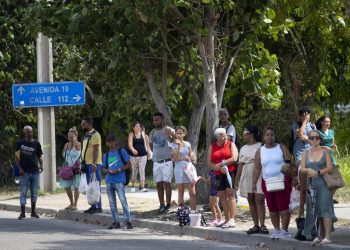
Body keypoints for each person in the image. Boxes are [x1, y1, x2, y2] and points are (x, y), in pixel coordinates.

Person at [253, 127, 292, 238]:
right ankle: (276, 230)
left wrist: (293, 178)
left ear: (274, 136)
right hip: (267, 182)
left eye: (272, 135)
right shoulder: (260, 150)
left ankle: (285, 231)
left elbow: (289, 163)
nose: (270, 137)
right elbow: (257, 168)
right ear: (264, 137)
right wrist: (254, 183)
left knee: (283, 207)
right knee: (272, 208)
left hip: (282, 181)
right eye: (267, 135)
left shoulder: (281, 147)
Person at [299, 130, 336, 245]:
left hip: (323, 184)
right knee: (315, 211)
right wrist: (308, 170)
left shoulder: (325, 152)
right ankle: (319, 236)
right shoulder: (305, 153)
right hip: (311, 185)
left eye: (316, 137)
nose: (314, 139)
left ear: (320, 139)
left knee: (325, 209)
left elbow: (330, 168)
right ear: (309, 140)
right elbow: (302, 168)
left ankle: (327, 237)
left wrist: (318, 172)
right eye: (311, 138)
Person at [235, 125, 268, 235]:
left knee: (259, 198)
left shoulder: (261, 146)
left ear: (251, 134)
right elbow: (240, 164)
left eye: (245, 133)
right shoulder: (243, 148)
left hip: (258, 172)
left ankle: (263, 224)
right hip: (246, 173)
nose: (244, 135)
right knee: (251, 199)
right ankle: (256, 225)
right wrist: (236, 180)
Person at [208, 128, 238, 228]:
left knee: (230, 195)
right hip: (218, 174)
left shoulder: (231, 144)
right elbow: (209, 163)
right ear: (217, 136)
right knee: (222, 196)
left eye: (225, 134)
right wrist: (216, 167)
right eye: (222, 134)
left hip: (230, 172)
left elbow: (234, 158)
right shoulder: (212, 146)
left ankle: (232, 219)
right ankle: (226, 219)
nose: (224, 136)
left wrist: (221, 164)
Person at [102, 134, 133, 229]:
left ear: (116, 142)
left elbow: (128, 164)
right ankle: (116, 221)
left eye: (112, 140)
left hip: (119, 180)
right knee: (112, 203)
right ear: (107, 143)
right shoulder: (106, 155)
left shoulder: (121, 151)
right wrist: (108, 171)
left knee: (123, 201)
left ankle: (128, 221)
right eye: (109, 140)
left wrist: (119, 170)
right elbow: (103, 168)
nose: (111, 142)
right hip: (109, 181)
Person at [149, 112, 175, 214]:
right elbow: (151, 145)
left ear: (162, 119)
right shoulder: (152, 132)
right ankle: (161, 205)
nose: (155, 122)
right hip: (156, 162)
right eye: (154, 120)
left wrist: (171, 136)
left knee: (167, 183)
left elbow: (177, 141)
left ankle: (168, 204)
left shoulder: (168, 129)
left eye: (157, 120)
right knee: (158, 184)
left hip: (167, 161)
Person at [15, 126, 43, 220]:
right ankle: (22, 213)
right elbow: (16, 158)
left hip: (35, 172)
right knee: (23, 192)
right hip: (24, 173)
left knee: (34, 193)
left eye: (31, 131)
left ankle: (33, 212)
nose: (30, 133)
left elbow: (39, 156)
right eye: (28, 132)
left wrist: (41, 165)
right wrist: (20, 169)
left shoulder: (36, 143)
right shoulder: (20, 143)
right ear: (25, 133)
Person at [170, 126, 196, 211]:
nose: (178, 135)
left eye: (181, 133)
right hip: (179, 168)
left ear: (184, 134)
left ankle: (193, 211)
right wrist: (178, 146)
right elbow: (176, 159)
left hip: (188, 168)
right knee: (180, 191)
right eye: (177, 133)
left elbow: (191, 156)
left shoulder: (188, 144)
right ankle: (182, 213)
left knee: (192, 192)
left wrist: (191, 156)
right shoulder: (172, 145)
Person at [81, 116, 103, 214]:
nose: (82, 125)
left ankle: (99, 206)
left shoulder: (95, 134)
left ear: (89, 124)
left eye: (83, 124)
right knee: (90, 186)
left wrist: (94, 163)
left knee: (96, 185)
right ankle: (92, 205)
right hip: (87, 163)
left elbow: (96, 149)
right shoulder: (86, 135)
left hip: (94, 164)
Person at [59, 127, 81, 210]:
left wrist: (74, 139)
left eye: (71, 136)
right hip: (68, 168)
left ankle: (75, 204)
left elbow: (78, 148)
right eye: (69, 136)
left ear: (75, 136)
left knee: (76, 186)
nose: (70, 138)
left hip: (76, 168)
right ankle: (71, 203)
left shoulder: (78, 144)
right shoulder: (66, 145)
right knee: (67, 186)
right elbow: (63, 154)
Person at [128, 121, 150, 192]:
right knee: (134, 171)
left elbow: (147, 145)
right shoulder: (131, 135)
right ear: (133, 128)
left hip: (143, 155)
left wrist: (149, 152)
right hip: (133, 156)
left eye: (139, 126)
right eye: (136, 126)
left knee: (142, 170)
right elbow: (130, 144)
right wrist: (133, 149)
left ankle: (142, 186)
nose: (138, 127)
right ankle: (133, 186)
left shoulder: (144, 135)